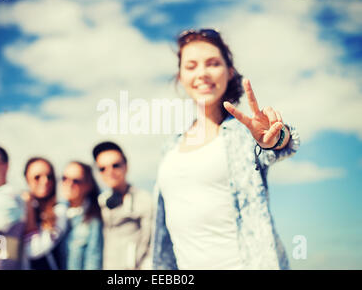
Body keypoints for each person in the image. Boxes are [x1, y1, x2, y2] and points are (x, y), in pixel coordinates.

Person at [152, 29, 300, 270]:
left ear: (229, 72)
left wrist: (276, 136)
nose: (202, 73)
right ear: (180, 76)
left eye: (213, 64)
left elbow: (281, 145)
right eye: (191, 66)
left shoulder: (243, 134)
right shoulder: (170, 147)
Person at [93, 141, 153, 270]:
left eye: (115, 165)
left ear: (126, 166)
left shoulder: (144, 200)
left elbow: (152, 244)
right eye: (102, 168)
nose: (110, 171)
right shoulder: (100, 202)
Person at [22, 157, 68, 270]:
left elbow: (33, 250)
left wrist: (28, 208)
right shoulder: (20, 208)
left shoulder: (60, 211)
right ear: (27, 180)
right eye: (37, 177)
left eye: (49, 176)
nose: (45, 181)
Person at [58, 161, 103, 270]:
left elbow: (93, 262)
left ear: (88, 186)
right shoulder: (56, 216)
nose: (69, 184)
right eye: (65, 178)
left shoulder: (92, 222)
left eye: (76, 181)